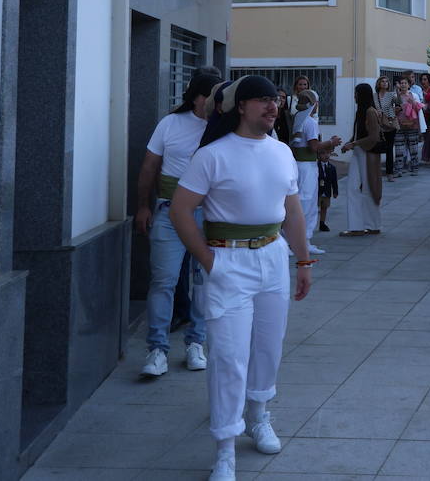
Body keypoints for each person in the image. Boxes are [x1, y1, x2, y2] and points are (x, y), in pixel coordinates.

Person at [168, 76, 313, 481]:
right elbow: (180, 210)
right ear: (241, 106)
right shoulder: (212, 155)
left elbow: (294, 211)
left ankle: (259, 415)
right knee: (229, 357)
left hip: (272, 258)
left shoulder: (282, 152)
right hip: (227, 261)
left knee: (268, 346)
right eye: (263, 100)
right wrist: (208, 261)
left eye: (276, 101)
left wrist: (303, 262)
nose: (273, 107)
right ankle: (225, 449)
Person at [133, 72, 222, 378]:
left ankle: (196, 343)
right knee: (163, 280)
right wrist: (143, 205)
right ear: (198, 97)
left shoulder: (223, 127)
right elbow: (149, 166)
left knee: (203, 281)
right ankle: (157, 349)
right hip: (169, 213)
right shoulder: (170, 123)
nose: (216, 101)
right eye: (212, 95)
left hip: (209, 215)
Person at [290, 91, 340, 256]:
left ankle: (294, 241)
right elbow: (314, 147)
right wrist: (331, 142)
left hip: (297, 165)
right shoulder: (310, 122)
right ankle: (303, 242)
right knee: (307, 205)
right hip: (307, 167)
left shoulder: (298, 117)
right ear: (314, 104)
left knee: (298, 203)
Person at [340, 83, 385, 236]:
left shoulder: (370, 112)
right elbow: (359, 133)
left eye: (356, 93)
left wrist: (353, 143)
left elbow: (373, 137)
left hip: (368, 153)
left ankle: (373, 225)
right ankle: (356, 227)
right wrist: (350, 142)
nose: (354, 96)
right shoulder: (361, 111)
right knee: (352, 187)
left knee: (369, 188)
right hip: (359, 152)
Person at [390, 77, 424, 176]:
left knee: (413, 149)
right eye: (401, 83)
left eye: (405, 83)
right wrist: (395, 110)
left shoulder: (414, 95)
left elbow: (419, 109)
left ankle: (415, 168)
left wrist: (413, 102)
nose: (403, 85)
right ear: (399, 85)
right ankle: (398, 170)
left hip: (412, 126)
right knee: (399, 149)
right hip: (399, 126)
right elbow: (392, 111)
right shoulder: (395, 96)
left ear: (409, 85)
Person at [375, 75, 398, 180]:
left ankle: (390, 173)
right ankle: (375, 171)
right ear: (379, 83)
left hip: (389, 124)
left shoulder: (392, 94)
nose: (384, 83)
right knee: (377, 147)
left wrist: (397, 91)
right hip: (378, 125)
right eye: (382, 81)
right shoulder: (374, 96)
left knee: (389, 149)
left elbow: (399, 105)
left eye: (386, 81)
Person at [316, 145, 338, 234]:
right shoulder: (316, 166)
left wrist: (335, 191)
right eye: (323, 153)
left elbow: (334, 180)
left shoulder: (332, 168)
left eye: (328, 153)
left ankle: (322, 223)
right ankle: (311, 222)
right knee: (314, 208)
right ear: (318, 155)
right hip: (318, 191)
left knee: (324, 207)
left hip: (327, 191)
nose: (326, 155)